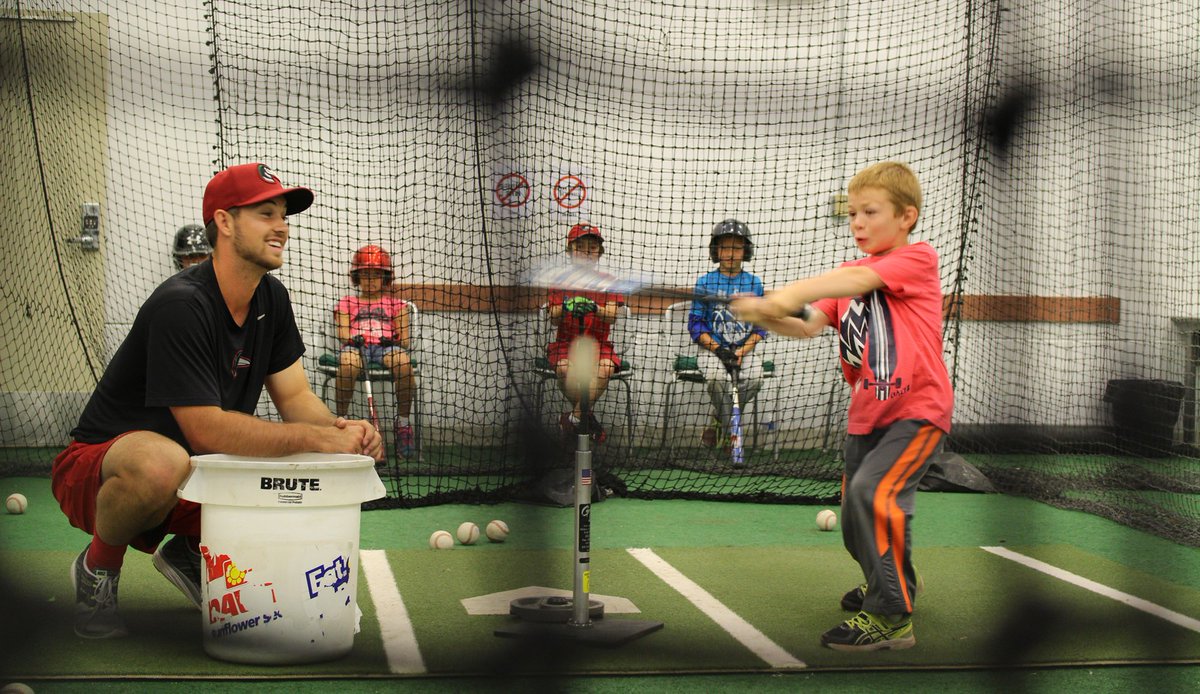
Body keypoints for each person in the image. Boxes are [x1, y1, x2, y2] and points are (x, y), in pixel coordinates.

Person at [51, 162, 383, 639]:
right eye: (266, 214)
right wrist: (313, 437)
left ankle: (190, 551)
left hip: (199, 472)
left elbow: (296, 396)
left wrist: (342, 432)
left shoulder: (272, 298)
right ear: (225, 223)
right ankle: (98, 568)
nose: (282, 227)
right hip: (100, 468)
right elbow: (205, 429)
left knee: (300, 463)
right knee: (163, 461)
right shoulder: (181, 304)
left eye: (284, 215)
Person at [731, 161, 952, 652]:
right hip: (866, 416)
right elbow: (807, 322)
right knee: (855, 521)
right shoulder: (851, 275)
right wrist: (766, 314)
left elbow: (845, 285)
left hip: (916, 411)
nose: (857, 222)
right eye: (852, 213)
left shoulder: (917, 259)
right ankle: (887, 586)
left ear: (906, 217)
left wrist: (782, 296)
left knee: (875, 496)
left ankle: (892, 616)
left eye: (870, 212)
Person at [688, 219, 767, 460]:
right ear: (716, 251)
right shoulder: (705, 282)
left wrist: (742, 351)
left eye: (736, 248)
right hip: (712, 350)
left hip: (745, 348)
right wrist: (719, 350)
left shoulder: (754, 283)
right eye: (725, 247)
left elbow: (761, 326)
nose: (730, 253)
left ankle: (717, 423)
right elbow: (695, 324)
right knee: (715, 379)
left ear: (746, 251)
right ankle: (729, 429)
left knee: (754, 379)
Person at [333, 244, 416, 458]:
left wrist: (391, 340)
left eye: (376, 275)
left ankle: (404, 424)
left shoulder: (397, 304)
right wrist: (354, 339)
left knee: (403, 363)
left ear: (385, 277)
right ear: (357, 277)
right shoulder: (347, 302)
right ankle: (341, 423)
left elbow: (405, 339)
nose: (370, 280)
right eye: (365, 274)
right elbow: (342, 333)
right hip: (356, 346)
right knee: (348, 365)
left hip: (386, 347)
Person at [546, 222, 625, 443]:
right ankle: (585, 418)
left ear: (599, 252)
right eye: (580, 247)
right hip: (566, 344)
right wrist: (566, 306)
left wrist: (594, 307)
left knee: (607, 368)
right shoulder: (559, 281)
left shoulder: (609, 282)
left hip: (599, 345)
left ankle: (572, 418)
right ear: (570, 250)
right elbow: (553, 318)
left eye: (592, 248)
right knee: (563, 369)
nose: (587, 253)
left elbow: (611, 316)